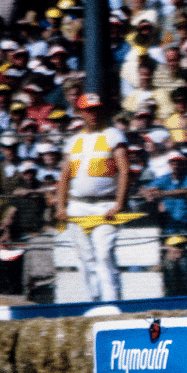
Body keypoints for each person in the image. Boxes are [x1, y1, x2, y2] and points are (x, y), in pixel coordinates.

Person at [56, 93, 130, 302]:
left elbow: (124, 170)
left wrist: (119, 203)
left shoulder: (113, 135)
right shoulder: (74, 140)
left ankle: (112, 302)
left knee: (104, 253)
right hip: (78, 205)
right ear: (80, 113)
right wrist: (61, 206)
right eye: (88, 110)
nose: (93, 114)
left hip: (105, 205)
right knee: (84, 258)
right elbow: (65, 176)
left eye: (96, 109)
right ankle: (92, 302)